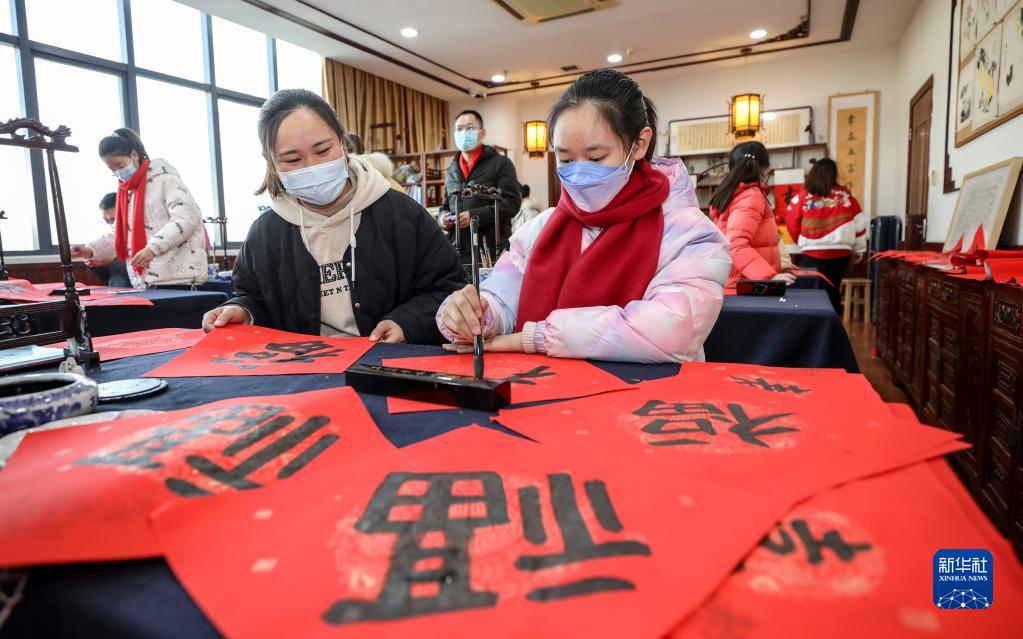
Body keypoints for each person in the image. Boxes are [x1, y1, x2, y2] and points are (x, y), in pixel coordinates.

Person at [436, 69, 730, 363]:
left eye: (596, 158)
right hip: (544, 387)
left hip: (649, 391)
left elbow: (672, 329)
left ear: (639, 144)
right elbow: (503, 296)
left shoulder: (688, 233)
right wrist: (477, 314)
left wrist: (538, 337)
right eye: (565, 159)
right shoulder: (543, 228)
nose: (578, 172)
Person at [201, 89, 464, 344]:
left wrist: (405, 323)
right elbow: (254, 297)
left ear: (343, 142)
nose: (313, 167)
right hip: (302, 366)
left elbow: (448, 288)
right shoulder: (265, 233)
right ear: (271, 162)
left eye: (323, 151)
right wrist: (242, 310)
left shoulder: (402, 215)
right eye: (293, 159)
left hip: (386, 361)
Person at [83, 128, 208, 289]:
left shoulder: (165, 180)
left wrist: (152, 249)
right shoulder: (127, 192)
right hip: (144, 282)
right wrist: (90, 250)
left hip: (179, 280)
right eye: (112, 170)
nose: (118, 173)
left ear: (134, 154)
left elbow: (187, 218)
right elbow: (120, 234)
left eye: (120, 165)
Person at [784, 157, 867, 312]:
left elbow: (791, 221)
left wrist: (801, 241)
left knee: (814, 291)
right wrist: (859, 249)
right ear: (834, 174)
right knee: (833, 288)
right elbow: (859, 221)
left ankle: (816, 322)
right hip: (841, 252)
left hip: (812, 252)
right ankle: (834, 322)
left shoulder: (802, 197)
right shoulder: (847, 196)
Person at [709, 141, 795, 288]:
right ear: (764, 169)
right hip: (747, 282)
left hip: (742, 280)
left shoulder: (736, 193)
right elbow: (736, 243)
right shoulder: (751, 196)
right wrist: (768, 275)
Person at [438, 109, 521, 262]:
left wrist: (474, 216)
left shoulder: (501, 164)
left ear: (482, 133)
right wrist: (442, 218)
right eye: (459, 129)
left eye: (469, 128)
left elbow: (512, 203)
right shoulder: (451, 169)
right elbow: (445, 205)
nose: (463, 133)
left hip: (491, 250)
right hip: (458, 251)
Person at [70, 193, 131, 287]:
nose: (113, 224)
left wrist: (112, 261)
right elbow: (112, 239)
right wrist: (89, 253)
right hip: (117, 286)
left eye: (113, 220)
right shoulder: (113, 233)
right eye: (107, 221)